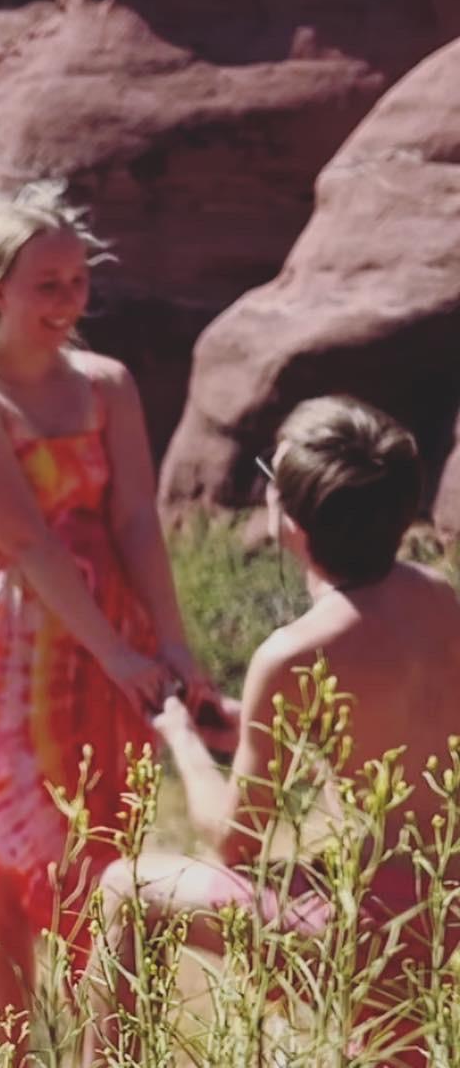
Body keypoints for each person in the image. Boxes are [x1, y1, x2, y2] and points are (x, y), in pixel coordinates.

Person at [0, 181, 219, 1049]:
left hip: (106, 636)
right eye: (48, 284)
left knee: (107, 850)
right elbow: (32, 547)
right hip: (8, 649)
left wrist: (171, 644)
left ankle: (114, 1048)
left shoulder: (107, 385)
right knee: (6, 873)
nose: (68, 301)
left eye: (78, 282)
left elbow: (134, 523)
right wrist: (123, 655)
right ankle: (12, 1054)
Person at [87, 395, 460, 1065]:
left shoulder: (293, 654)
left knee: (127, 888)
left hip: (373, 935)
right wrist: (250, 726)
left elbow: (236, 841)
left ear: (290, 522)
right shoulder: (442, 597)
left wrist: (183, 739)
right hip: (447, 910)